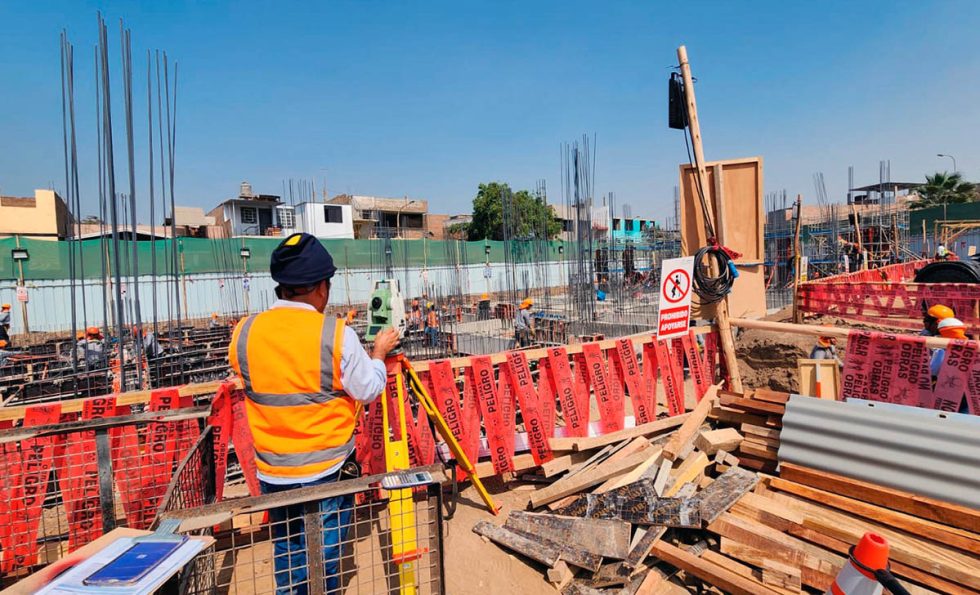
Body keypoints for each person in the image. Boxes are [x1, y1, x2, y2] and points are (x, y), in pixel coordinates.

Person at [228, 232, 399, 595]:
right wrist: (379, 355)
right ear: (321, 288)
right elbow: (368, 389)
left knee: (288, 551)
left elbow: (252, 381)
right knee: (325, 557)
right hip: (326, 470)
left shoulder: (245, 333)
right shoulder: (336, 335)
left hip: (274, 472)